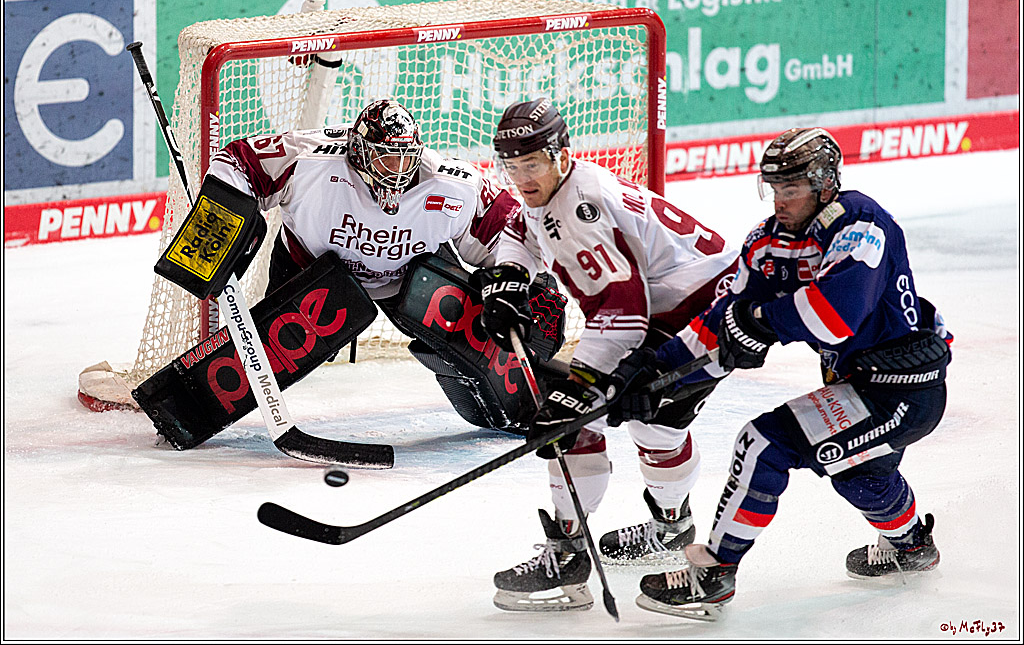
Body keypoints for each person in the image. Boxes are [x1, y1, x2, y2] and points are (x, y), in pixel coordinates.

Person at [630, 128, 953, 620]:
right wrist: (660, 371)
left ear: (824, 184)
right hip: (859, 383)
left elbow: (834, 315)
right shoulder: (766, 243)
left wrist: (760, 323)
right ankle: (911, 546)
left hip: (902, 391)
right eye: (775, 189)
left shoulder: (861, 222)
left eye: (792, 189)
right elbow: (724, 320)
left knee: (763, 443)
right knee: (860, 476)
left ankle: (714, 572)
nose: (780, 201)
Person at [474, 98, 739, 612]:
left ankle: (624, 540)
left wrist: (582, 386)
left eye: (531, 163)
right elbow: (520, 230)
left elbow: (622, 314)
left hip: (704, 318)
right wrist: (508, 274)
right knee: (611, 421)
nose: (522, 177)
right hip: (673, 307)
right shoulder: (558, 188)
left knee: (631, 420)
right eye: (511, 165)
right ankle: (620, 537)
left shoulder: (580, 210)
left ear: (560, 154)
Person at [203, 99, 561, 435]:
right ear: (357, 150)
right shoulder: (310, 159)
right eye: (387, 160)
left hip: (408, 275)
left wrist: (535, 283)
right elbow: (236, 161)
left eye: (406, 160)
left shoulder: (454, 184)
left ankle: (519, 401)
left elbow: (513, 236)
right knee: (276, 350)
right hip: (309, 269)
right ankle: (197, 399)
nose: (399, 172)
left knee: (479, 323)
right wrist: (223, 218)